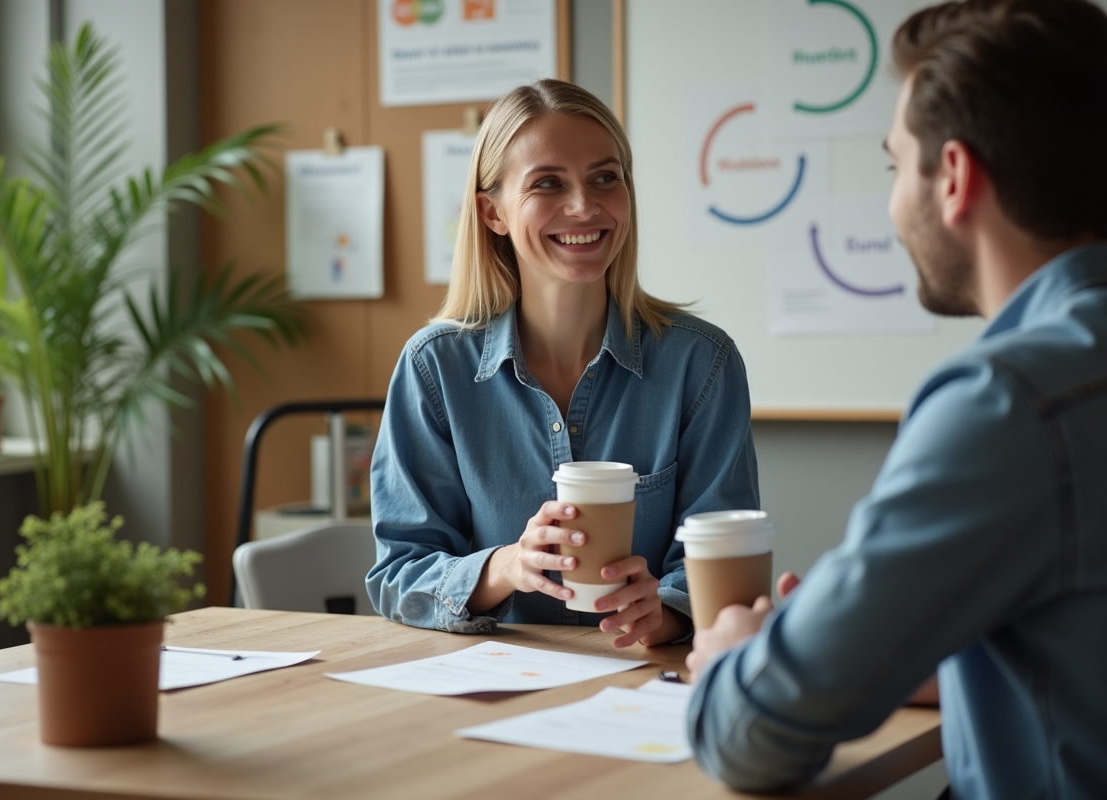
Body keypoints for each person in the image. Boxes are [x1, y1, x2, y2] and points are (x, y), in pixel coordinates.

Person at [685, 1, 1107, 797]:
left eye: (893, 166)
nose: (890, 205)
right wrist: (907, 650)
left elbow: (754, 736)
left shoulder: (1009, 403)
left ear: (953, 177)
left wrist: (740, 651)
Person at [367, 79, 759, 649]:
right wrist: (506, 566)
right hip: (490, 686)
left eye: (606, 178)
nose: (584, 206)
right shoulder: (434, 369)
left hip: (646, 681)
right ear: (492, 212)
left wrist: (667, 611)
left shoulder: (702, 363)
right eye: (548, 183)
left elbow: (724, 556)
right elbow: (398, 572)